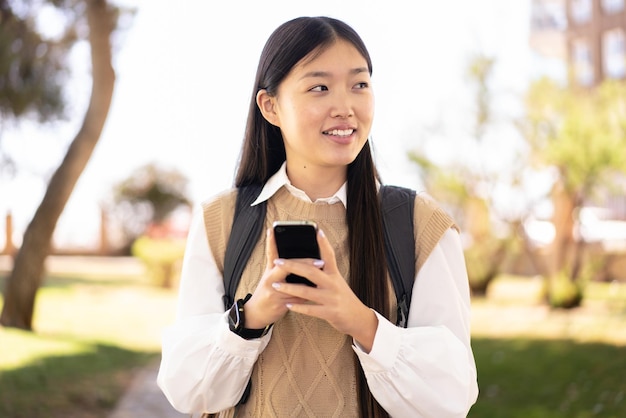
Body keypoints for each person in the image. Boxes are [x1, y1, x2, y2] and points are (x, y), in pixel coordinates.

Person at [157, 16, 478, 417]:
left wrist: (359, 320)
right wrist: (253, 315)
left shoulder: (417, 224)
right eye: (319, 87)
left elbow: (449, 398)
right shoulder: (220, 221)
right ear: (270, 106)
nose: (344, 107)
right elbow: (189, 392)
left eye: (359, 84)